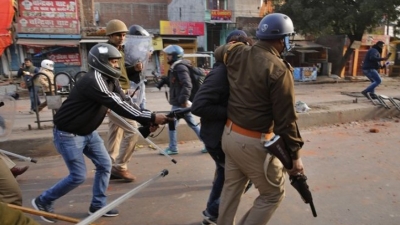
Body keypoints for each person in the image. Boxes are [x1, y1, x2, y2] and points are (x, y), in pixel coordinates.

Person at [31, 43, 168, 223]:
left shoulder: (111, 79)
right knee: (78, 176)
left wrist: (148, 119)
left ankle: (97, 205)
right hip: (68, 134)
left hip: (88, 132)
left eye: (117, 61)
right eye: (113, 61)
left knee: (105, 165)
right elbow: (117, 104)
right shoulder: (94, 80)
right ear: (100, 61)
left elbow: (125, 101)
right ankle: (43, 201)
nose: (117, 65)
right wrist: (151, 116)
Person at [214, 13, 305, 225]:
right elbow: (286, 122)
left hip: (229, 135)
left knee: (231, 189)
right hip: (253, 142)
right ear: (282, 39)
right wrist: (295, 157)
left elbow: (220, 51)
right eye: (288, 37)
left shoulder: (237, 52)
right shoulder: (279, 69)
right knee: (272, 194)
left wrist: (234, 46)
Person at [192, 30, 252, 225]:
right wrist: (231, 111)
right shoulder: (221, 73)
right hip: (216, 137)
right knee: (243, 177)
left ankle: (213, 212)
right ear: (232, 45)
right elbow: (199, 106)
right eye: (242, 47)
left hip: (219, 136)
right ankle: (214, 210)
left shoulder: (231, 69)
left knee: (224, 174)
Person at [105, 19, 145, 182]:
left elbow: (120, 74)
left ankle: (109, 165)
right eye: (117, 35)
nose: (121, 38)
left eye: (123, 35)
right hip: (113, 96)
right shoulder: (105, 52)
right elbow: (104, 76)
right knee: (133, 129)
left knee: (116, 131)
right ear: (110, 35)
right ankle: (120, 166)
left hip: (120, 93)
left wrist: (133, 69)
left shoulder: (119, 51)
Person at [162, 44, 206, 155]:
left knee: (172, 124)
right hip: (181, 102)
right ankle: (208, 144)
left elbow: (187, 85)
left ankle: (173, 148)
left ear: (175, 56)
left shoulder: (180, 67)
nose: (167, 57)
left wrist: (182, 100)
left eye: (169, 55)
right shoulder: (176, 67)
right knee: (193, 124)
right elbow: (176, 83)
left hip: (180, 103)